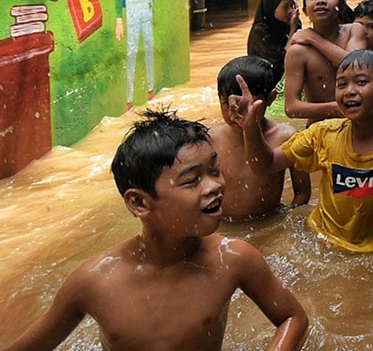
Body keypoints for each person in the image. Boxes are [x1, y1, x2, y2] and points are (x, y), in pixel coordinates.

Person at [3, 109, 309, 351]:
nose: (215, 185)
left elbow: (293, 317)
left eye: (214, 170)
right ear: (139, 202)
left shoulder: (234, 259)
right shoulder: (94, 282)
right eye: (192, 180)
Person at [228, 49, 373, 253]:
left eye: (361, 82)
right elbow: (265, 165)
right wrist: (250, 127)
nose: (349, 91)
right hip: (324, 241)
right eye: (341, 84)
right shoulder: (323, 134)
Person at [211, 56, 310, 221]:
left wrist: (281, 226)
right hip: (222, 226)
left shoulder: (286, 137)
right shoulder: (211, 138)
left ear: (270, 98)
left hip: (267, 221)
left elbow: (302, 193)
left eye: (248, 105)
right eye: (227, 104)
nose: (238, 113)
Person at [283, 0, 366, 123]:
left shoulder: (355, 30)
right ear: (304, 10)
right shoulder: (298, 52)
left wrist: (313, 38)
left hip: (358, 124)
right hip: (320, 128)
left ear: (341, 7)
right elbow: (291, 107)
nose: (321, 1)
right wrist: (336, 108)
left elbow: (357, 68)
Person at [248, 0, 301, 82]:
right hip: (267, 81)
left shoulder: (288, 22)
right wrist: (292, 29)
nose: (291, 10)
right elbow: (284, 60)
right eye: (286, 7)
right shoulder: (260, 32)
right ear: (271, 7)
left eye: (292, 5)